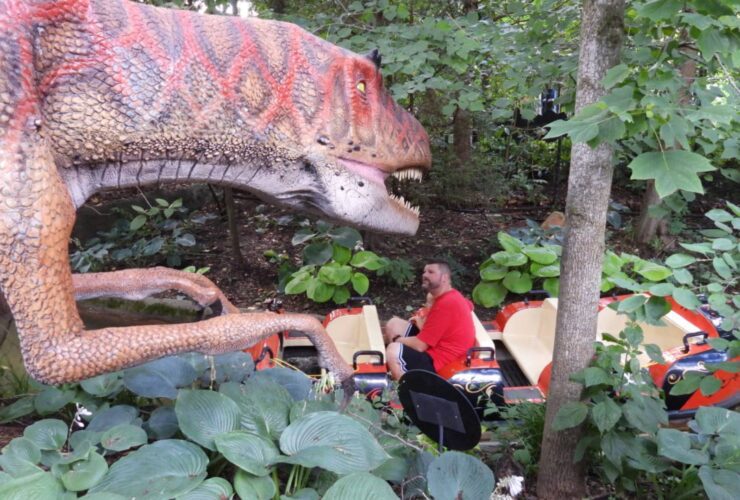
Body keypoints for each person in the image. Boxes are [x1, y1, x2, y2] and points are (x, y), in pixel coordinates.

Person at [384, 260, 475, 380]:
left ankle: (404, 387)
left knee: (392, 350)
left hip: (440, 359)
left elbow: (420, 346)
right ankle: (396, 367)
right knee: (393, 324)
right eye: (424, 271)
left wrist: (397, 340)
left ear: (444, 277)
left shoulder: (446, 304)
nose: (425, 275)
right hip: (435, 344)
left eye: (431, 272)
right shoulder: (451, 294)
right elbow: (470, 305)